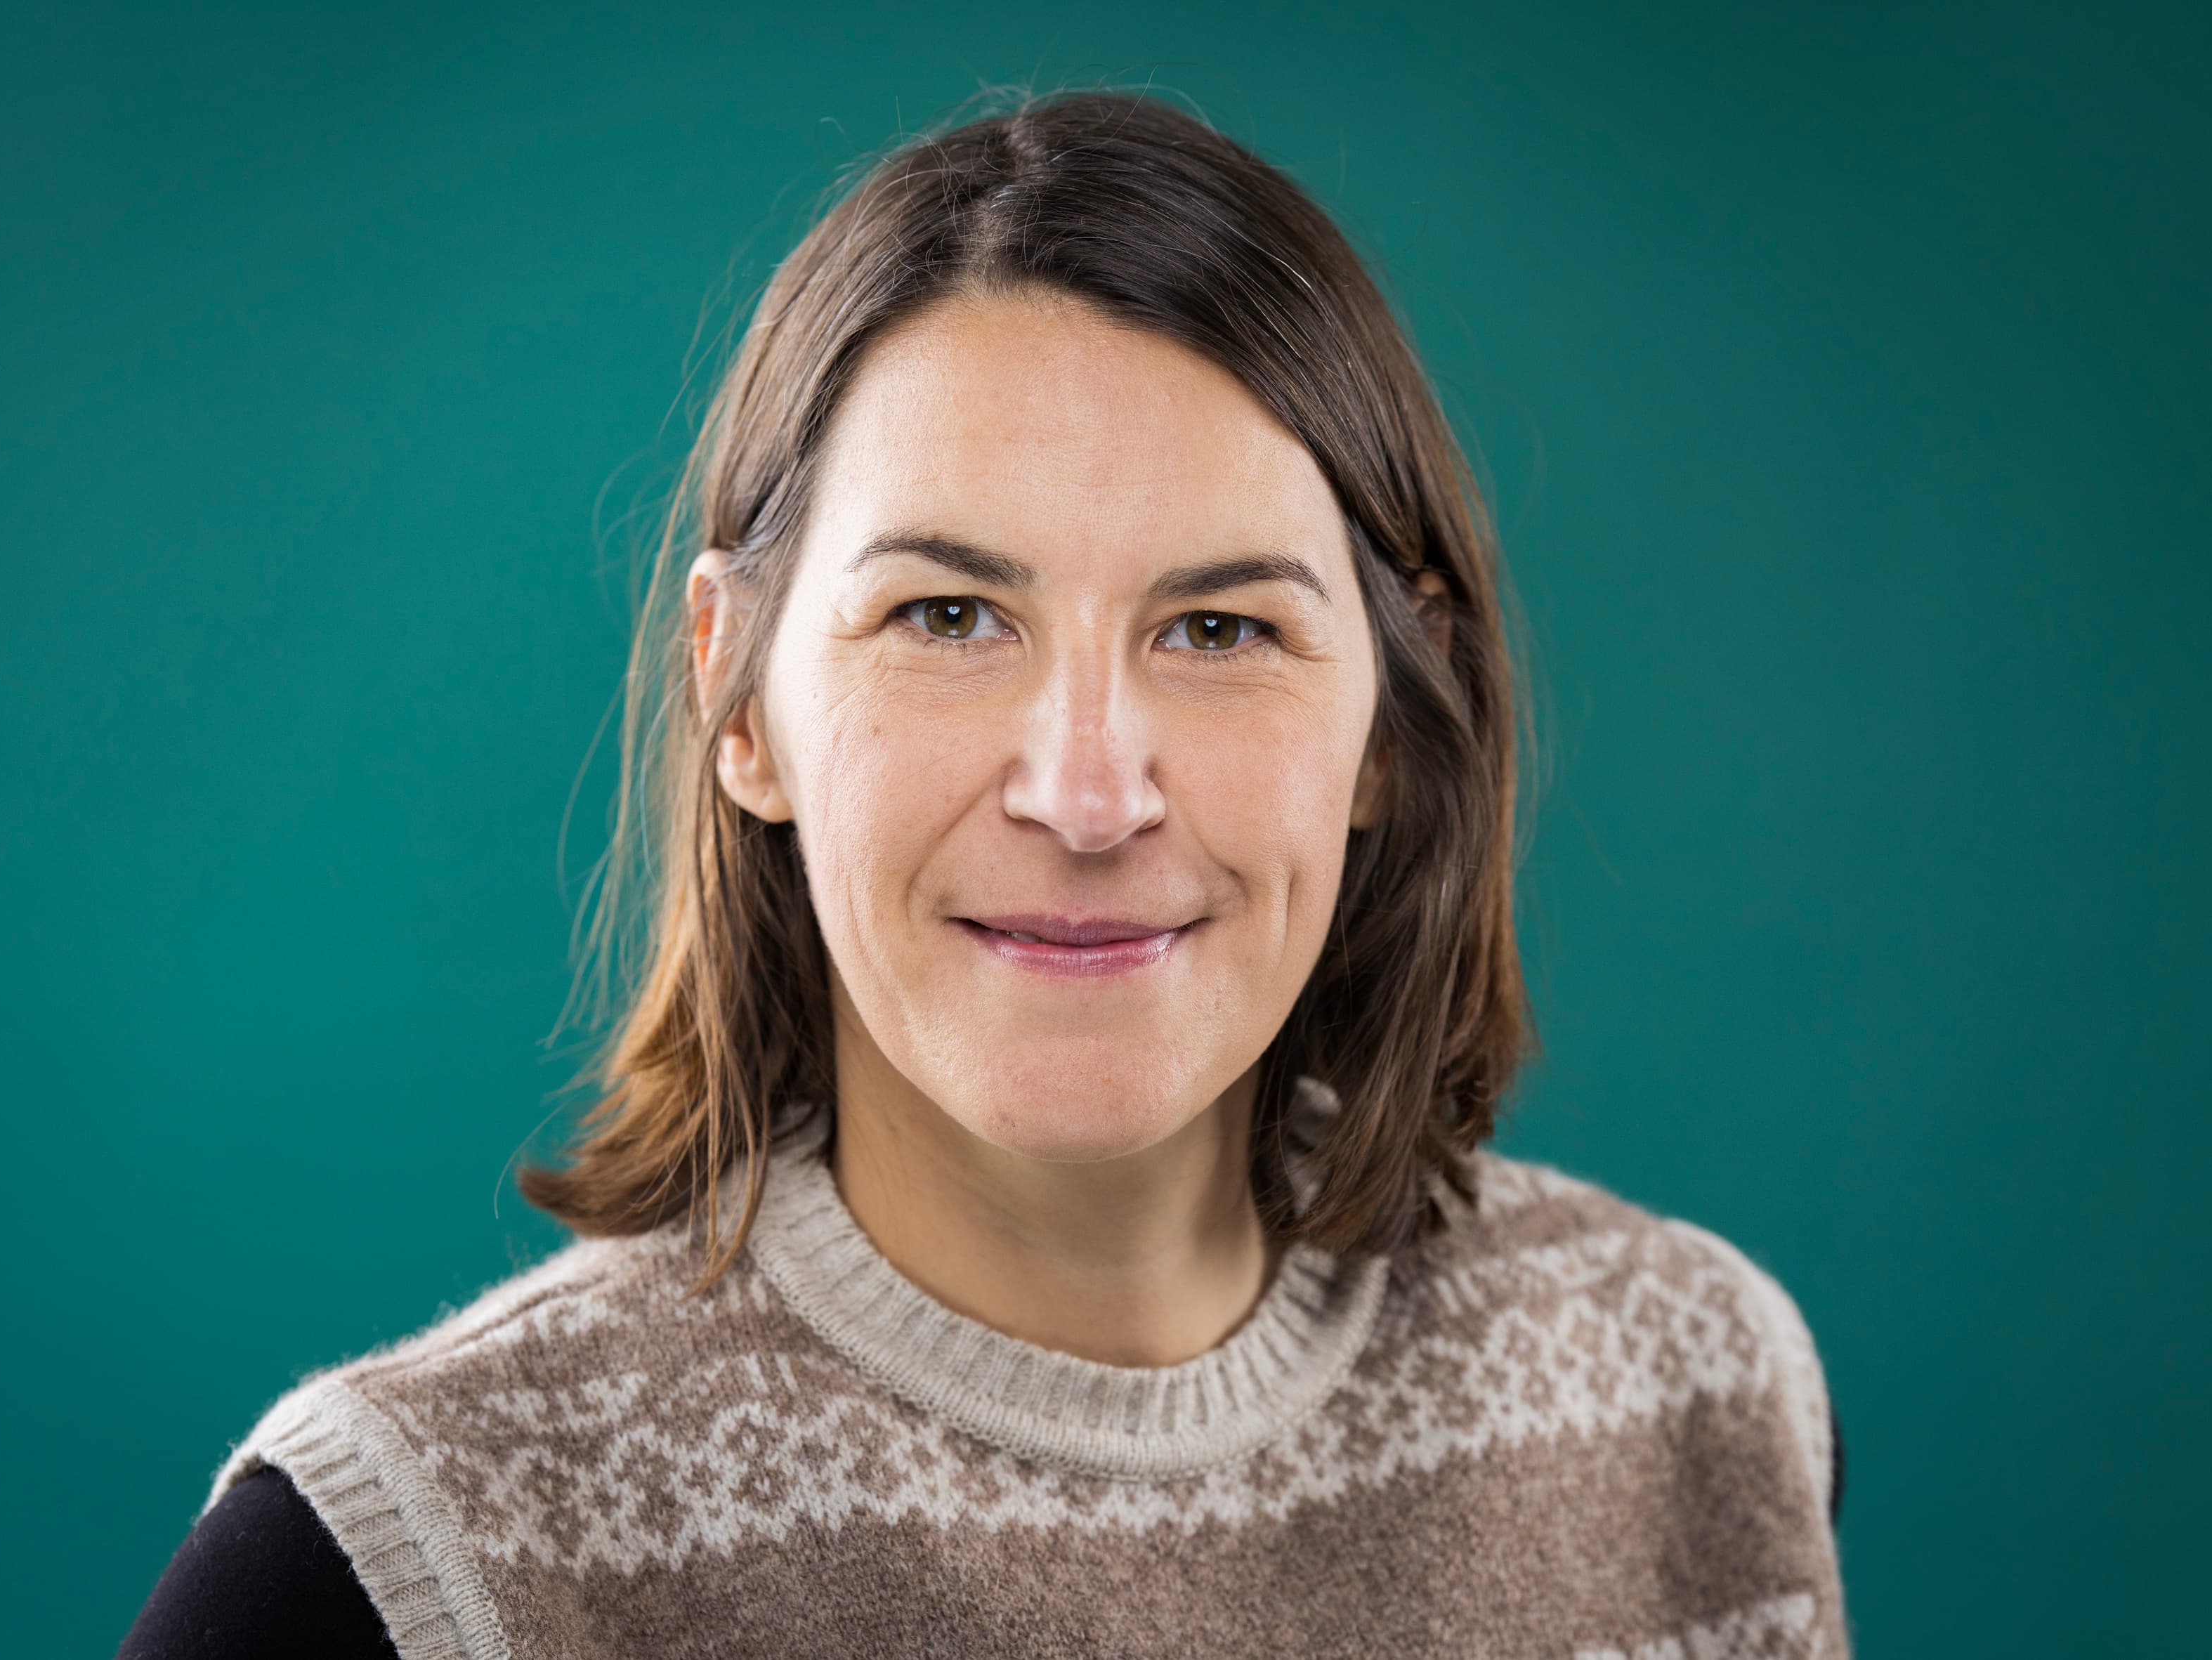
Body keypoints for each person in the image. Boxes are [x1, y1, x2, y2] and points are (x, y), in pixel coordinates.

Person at [121, 89, 1848, 1659]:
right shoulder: (396, 1576)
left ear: (1394, 721)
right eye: (947, 616)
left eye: (1218, 628)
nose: (1086, 797)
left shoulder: (1698, 1402)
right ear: (740, 700)